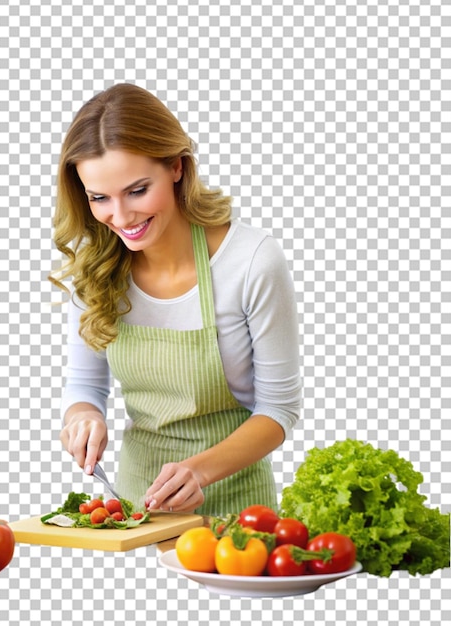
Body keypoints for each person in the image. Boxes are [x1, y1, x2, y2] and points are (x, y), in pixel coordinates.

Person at [50, 83, 301, 517]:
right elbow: (86, 386)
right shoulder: (96, 269)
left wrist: (198, 472)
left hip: (239, 521)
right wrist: (83, 418)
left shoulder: (250, 260)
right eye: (99, 198)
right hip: (133, 513)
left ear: (178, 168)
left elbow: (279, 410)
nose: (121, 217)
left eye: (137, 190)